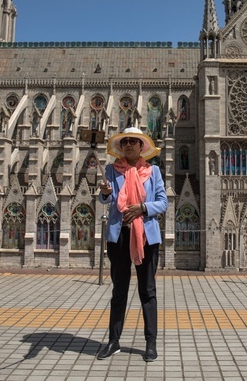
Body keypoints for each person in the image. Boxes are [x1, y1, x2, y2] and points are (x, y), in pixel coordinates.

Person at [96, 126, 168, 362]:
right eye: (125, 141)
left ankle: (150, 343)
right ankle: (113, 341)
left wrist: (143, 208)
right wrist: (105, 192)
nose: (128, 145)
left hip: (146, 237)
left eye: (133, 142)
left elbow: (163, 202)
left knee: (147, 291)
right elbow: (107, 198)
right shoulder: (111, 169)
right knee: (119, 291)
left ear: (141, 147)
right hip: (119, 237)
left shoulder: (153, 171)